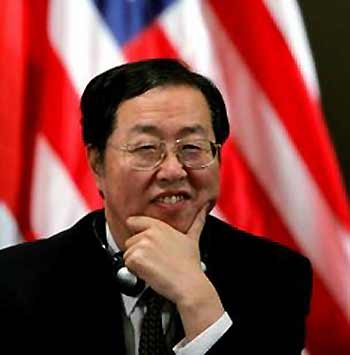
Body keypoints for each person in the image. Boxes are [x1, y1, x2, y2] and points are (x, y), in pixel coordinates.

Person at [0, 58, 312, 354]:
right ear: (97, 163)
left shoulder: (276, 277)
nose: (174, 170)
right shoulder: (16, 282)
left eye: (192, 147)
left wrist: (197, 300)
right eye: (147, 148)